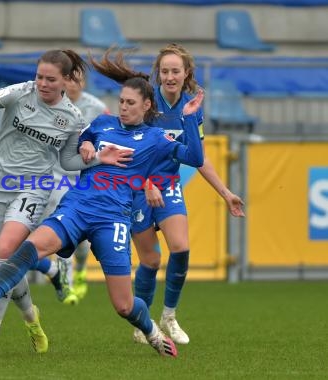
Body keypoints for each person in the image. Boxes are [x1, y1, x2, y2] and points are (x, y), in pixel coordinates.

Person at [0, 48, 206, 358]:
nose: (124, 108)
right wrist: (88, 144)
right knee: (29, 247)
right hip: (77, 207)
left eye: (131, 103)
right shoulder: (102, 125)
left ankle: (151, 332)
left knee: (124, 305)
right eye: (121, 102)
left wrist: (190, 117)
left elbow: (195, 158)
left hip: (113, 219)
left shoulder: (157, 139)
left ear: (146, 105)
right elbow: (80, 142)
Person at [0, 49, 129, 353]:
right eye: (39, 76)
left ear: (66, 81)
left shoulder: (72, 118)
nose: (42, 83)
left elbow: (70, 162)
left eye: (50, 79)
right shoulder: (22, 92)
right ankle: (32, 318)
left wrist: (99, 158)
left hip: (35, 187)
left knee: (6, 249)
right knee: (4, 258)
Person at [130, 43, 245, 345]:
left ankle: (169, 316)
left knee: (180, 248)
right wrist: (145, 185)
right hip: (139, 187)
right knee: (151, 261)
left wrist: (225, 192)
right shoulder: (147, 103)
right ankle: (142, 322)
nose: (169, 76)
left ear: (186, 74)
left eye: (175, 71)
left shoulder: (192, 107)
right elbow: (133, 151)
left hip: (168, 185)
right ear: (158, 74)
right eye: (165, 71)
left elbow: (198, 156)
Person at [34, 72, 110, 305]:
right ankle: (65, 283)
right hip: (56, 175)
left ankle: (81, 267)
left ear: (83, 83)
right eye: (68, 79)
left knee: (82, 242)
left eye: (77, 80)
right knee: (61, 228)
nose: (71, 84)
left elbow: (108, 138)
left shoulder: (97, 107)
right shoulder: (51, 104)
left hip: (84, 178)